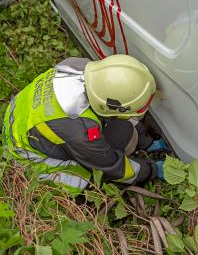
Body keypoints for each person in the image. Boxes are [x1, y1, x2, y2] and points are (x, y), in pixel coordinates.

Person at [3, 55, 168, 194]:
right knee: (88, 181)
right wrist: (152, 170)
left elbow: (118, 115)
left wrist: (146, 142)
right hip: (27, 157)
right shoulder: (80, 131)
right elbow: (112, 167)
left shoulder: (78, 67)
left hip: (20, 119)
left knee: (123, 131)